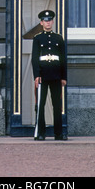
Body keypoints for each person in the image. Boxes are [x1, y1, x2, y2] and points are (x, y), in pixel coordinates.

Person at [32, 9, 67, 140]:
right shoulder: (37, 38)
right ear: (41, 23)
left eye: (50, 20)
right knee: (41, 105)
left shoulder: (58, 38)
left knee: (57, 105)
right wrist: (36, 75)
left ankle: (58, 133)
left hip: (56, 75)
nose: (48, 23)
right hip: (43, 76)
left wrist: (64, 77)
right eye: (46, 21)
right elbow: (35, 58)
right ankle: (41, 133)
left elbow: (63, 58)